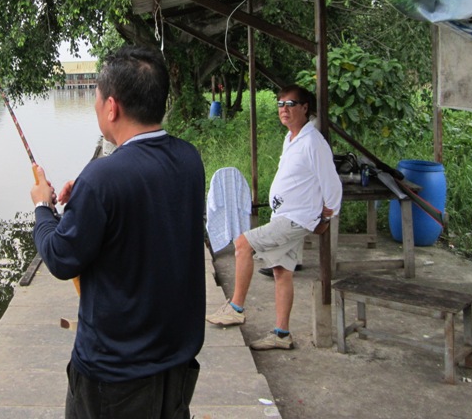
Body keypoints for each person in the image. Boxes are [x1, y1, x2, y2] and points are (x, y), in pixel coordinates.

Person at [30, 45, 206, 418]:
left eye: (95, 99)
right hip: (175, 364)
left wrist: (43, 207)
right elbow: (142, 212)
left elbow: (61, 258)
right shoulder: (189, 159)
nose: (96, 108)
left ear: (112, 107)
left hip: (114, 376)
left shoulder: (103, 178)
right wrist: (84, 202)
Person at [205, 84, 342, 350]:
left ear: (304, 108)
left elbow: (332, 184)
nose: (284, 110)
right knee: (282, 272)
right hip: (285, 215)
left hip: (295, 219)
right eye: (280, 104)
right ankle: (282, 334)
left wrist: (326, 217)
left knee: (243, 244)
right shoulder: (292, 138)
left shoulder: (313, 142)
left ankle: (235, 307)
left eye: (290, 105)